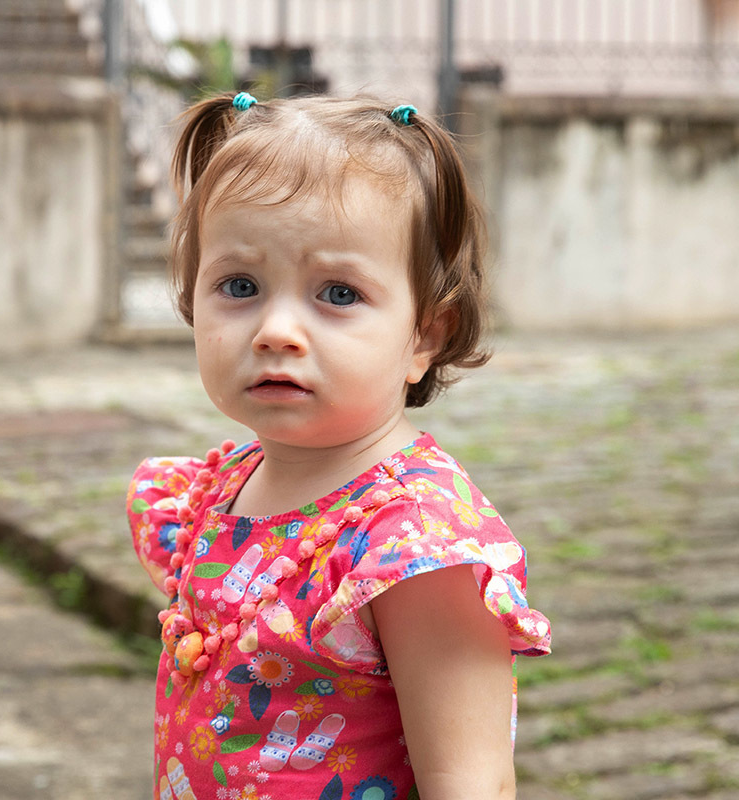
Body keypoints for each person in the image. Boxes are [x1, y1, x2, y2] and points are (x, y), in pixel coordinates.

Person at [126, 92, 552, 800]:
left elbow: (470, 781)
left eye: (338, 293)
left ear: (425, 335)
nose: (277, 331)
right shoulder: (216, 491)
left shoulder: (410, 546)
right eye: (240, 286)